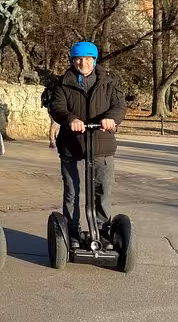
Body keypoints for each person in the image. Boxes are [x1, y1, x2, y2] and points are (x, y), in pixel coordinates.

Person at [49, 41, 125, 250]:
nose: (83, 62)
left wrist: (111, 119)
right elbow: (57, 107)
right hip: (72, 144)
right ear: (72, 60)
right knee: (72, 191)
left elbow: (119, 106)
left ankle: (102, 230)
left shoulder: (109, 82)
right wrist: (70, 119)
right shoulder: (63, 83)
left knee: (102, 189)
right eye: (78, 59)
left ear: (94, 60)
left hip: (102, 143)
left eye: (88, 59)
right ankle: (72, 231)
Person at [41, 80, 61, 148]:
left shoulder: (52, 90)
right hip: (53, 109)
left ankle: (56, 140)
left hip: (53, 109)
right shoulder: (53, 91)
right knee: (54, 125)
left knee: (58, 125)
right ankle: (52, 141)